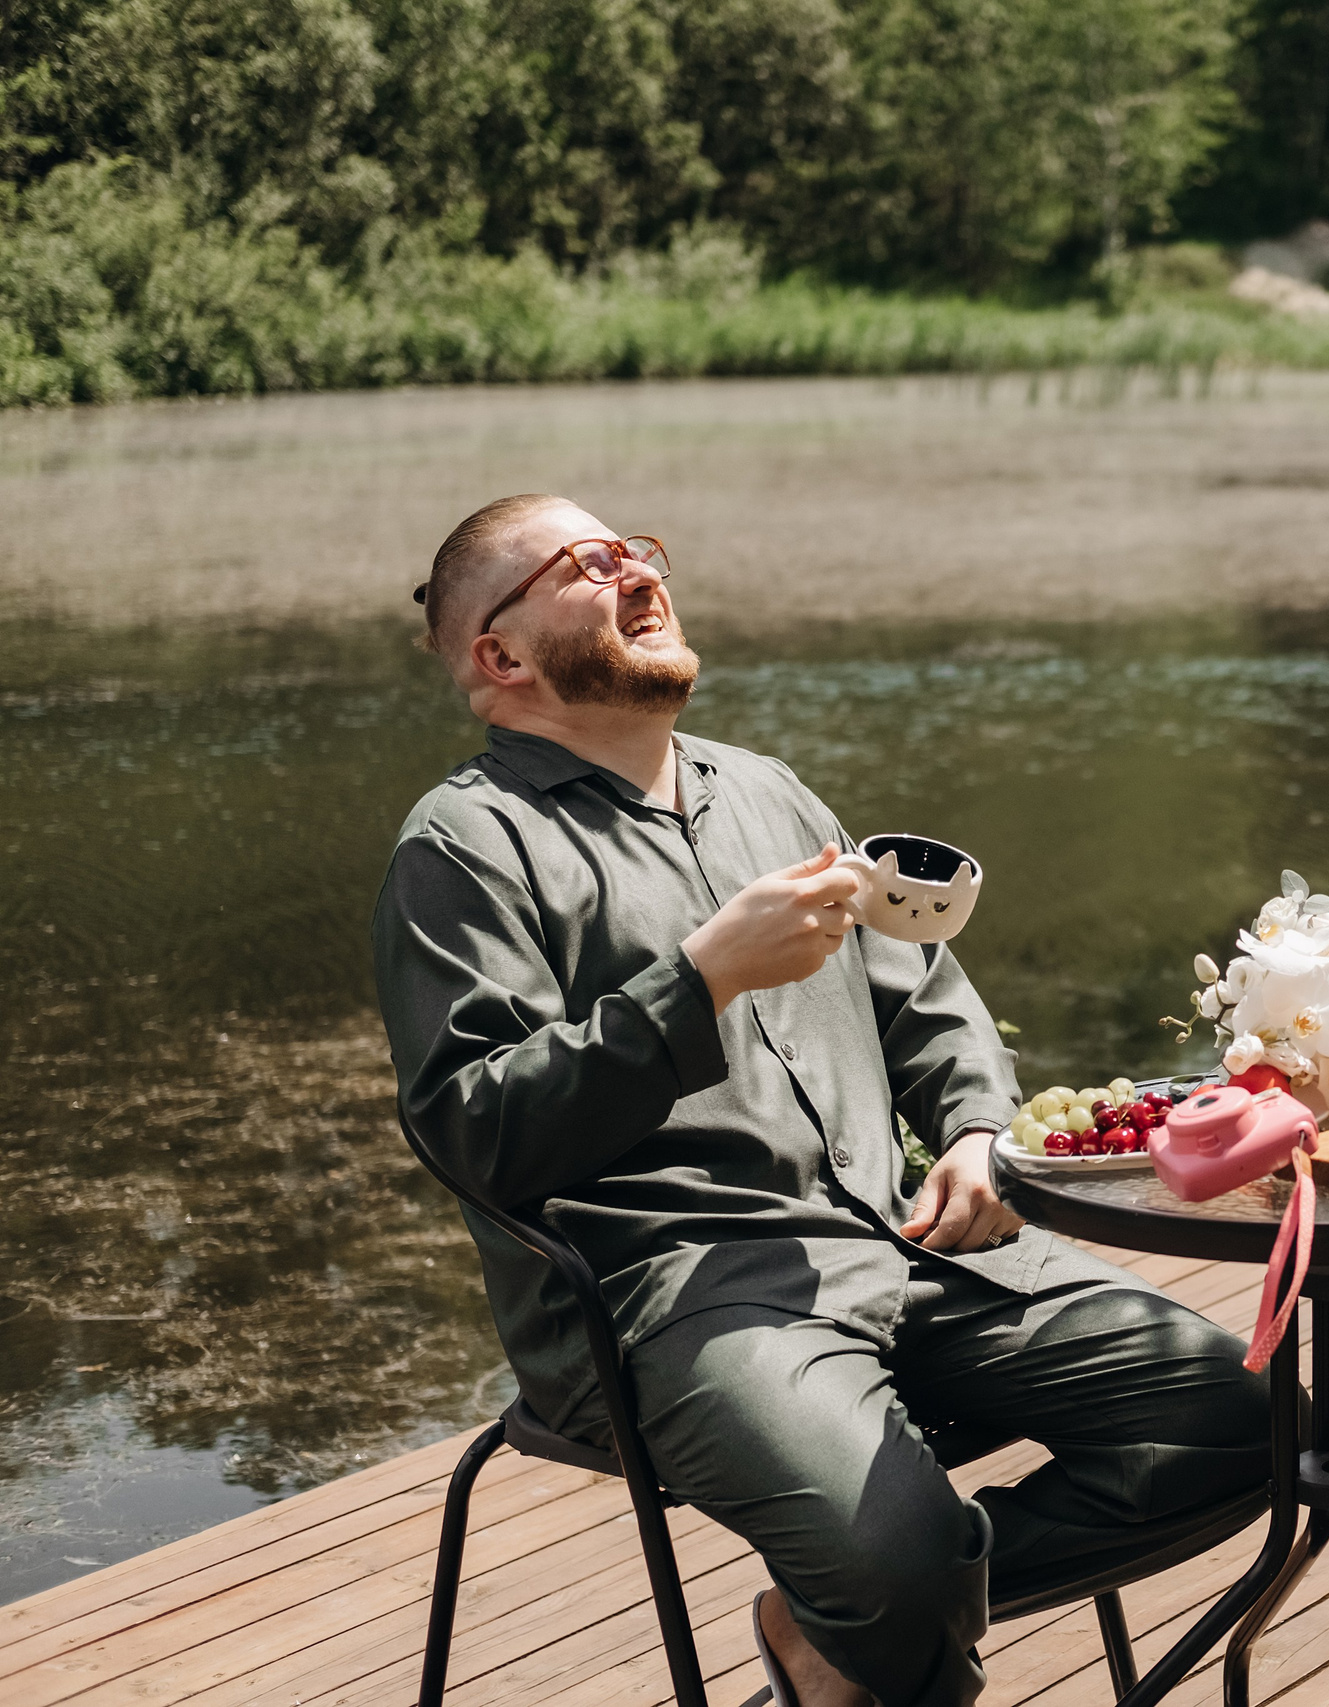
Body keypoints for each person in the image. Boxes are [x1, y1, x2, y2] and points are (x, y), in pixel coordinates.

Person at [374, 495, 1269, 1707]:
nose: (635, 568)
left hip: (898, 1246)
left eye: (637, 548)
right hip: (678, 1297)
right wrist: (699, 980)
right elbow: (474, 1130)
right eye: (587, 564)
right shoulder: (467, 845)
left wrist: (973, 1131)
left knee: (1246, 1418)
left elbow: (920, 990)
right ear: (500, 655)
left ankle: (843, 1627)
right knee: (891, 1561)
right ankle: (884, 1606)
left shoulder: (768, 795)